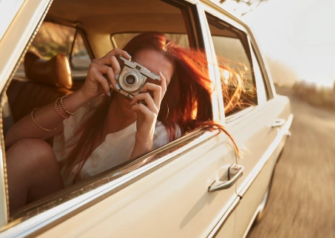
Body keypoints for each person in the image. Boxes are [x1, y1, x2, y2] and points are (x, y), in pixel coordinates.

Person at [5, 32, 240, 214]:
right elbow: (13, 139)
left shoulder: (164, 135)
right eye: (136, 72)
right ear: (118, 67)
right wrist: (82, 95)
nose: (138, 85)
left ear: (165, 93)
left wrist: (143, 133)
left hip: (97, 221)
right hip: (51, 203)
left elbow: (134, 209)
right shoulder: (91, 105)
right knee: (29, 152)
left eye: (154, 82)